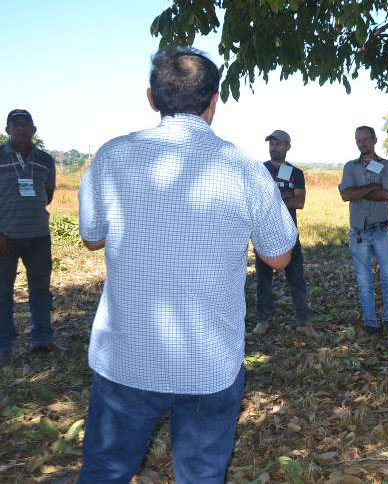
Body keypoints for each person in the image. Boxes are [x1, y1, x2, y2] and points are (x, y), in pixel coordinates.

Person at [77, 47, 298, 483]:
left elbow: (90, 238)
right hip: (208, 361)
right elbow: (279, 255)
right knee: (201, 474)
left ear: (151, 98)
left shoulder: (112, 157)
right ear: (214, 100)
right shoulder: (244, 168)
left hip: (126, 356)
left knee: (105, 471)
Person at [0, 109, 56, 365]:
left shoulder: (45, 160)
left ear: (34, 130)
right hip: (5, 237)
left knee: (41, 291)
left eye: (26, 125)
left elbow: (48, 194)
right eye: (16, 124)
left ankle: (42, 339)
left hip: (38, 237)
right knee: (2, 292)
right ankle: (4, 343)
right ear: (7, 129)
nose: (21, 129)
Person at [338, 126, 388, 337]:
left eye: (366, 139)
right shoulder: (350, 167)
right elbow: (346, 194)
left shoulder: (386, 165)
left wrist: (360, 192)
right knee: (364, 280)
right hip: (358, 233)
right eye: (358, 140)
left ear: (375, 140)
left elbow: (387, 193)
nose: (362, 143)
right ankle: (370, 322)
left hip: (381, 231)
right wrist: (370, 188)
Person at [253, 129, 312, 335]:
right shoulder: (259, 170)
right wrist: (285, 194)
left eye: (278, 144)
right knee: (263, 281)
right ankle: (263, 321)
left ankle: (304, 323)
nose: (274, 147)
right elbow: (255, 201)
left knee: (297, 279)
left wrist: (274, 197)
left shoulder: (295, 173)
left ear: (288, 146)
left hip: (289, 234)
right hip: (264, 234)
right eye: (271, 143)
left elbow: (300, 201)